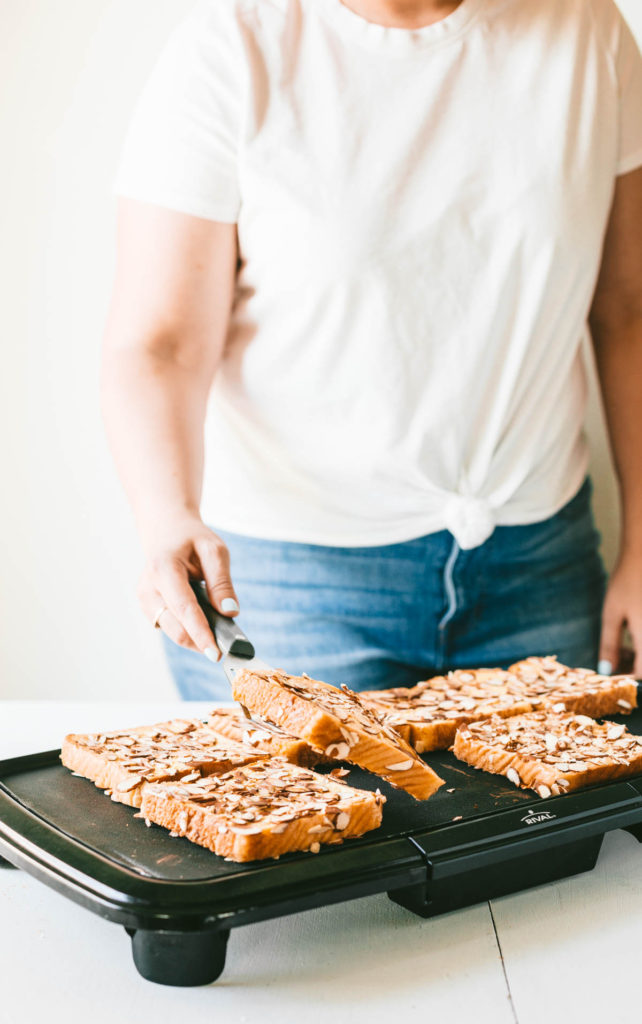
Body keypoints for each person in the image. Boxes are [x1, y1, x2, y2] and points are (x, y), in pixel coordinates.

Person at [102, 0, 642, 701]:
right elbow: (161, 342)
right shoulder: (231, 48)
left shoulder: (586, 30)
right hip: (294, 586)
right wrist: (164, 512)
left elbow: (628, 309)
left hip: (539, 567)